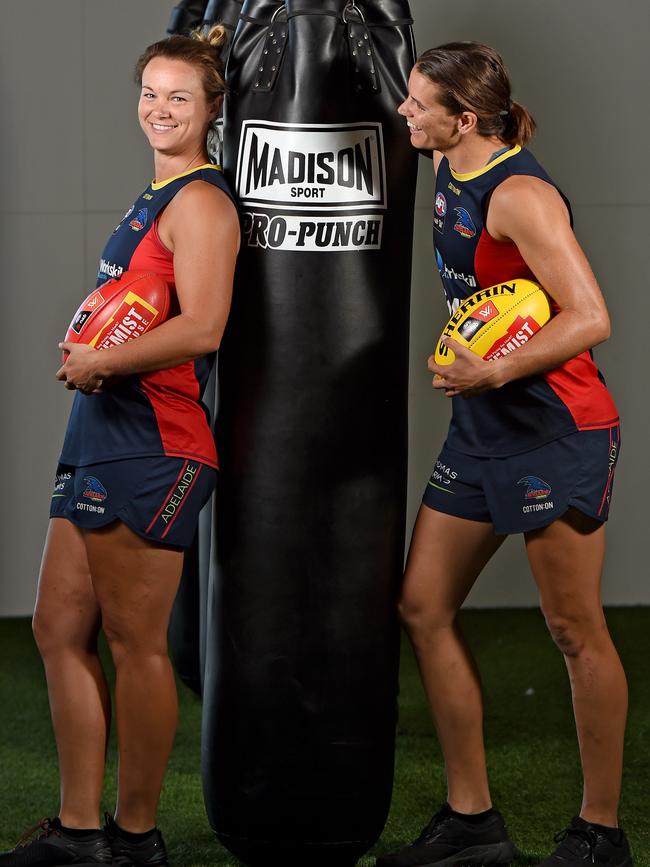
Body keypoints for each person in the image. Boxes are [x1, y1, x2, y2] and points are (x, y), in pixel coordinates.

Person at [378, 43, 632, 867]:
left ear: (466, 118)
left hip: (557, 427)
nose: (406, 114)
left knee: (571, 625)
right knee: (422, 605)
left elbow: (590, 315)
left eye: (420, 106)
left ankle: (600, 833)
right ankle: (472, 821)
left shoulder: (518, 194)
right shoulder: (449, 169)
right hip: (482, 430)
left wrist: (493, 368)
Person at [0, 25, 240, 867]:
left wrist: (105, 358)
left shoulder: (203, 203)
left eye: (179, 97)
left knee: (137, 643)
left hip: (157, 441)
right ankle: (78, 830)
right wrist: (94, 349)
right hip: (100, 430)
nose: (159, 110)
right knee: (58, 625)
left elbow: (203, 324)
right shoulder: (152, 198)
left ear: (212, 109)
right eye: (150, 94)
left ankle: (137, 836)